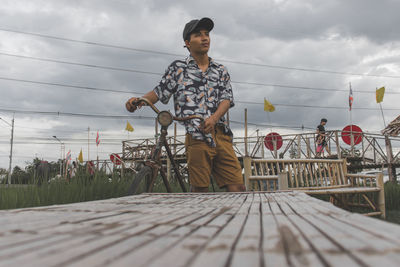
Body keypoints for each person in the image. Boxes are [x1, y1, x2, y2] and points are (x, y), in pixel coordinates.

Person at [125, 17, 245, 193]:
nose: (205, 38)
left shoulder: (220, 70)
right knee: (199, 190)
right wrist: (138, 101)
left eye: (207, 34)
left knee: (237, 187)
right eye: (198, 35)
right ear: (188, 43)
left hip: (220, 134)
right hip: (196, 135)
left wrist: (214, 118)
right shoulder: (178, 68)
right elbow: (160, 91)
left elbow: (226, 99)